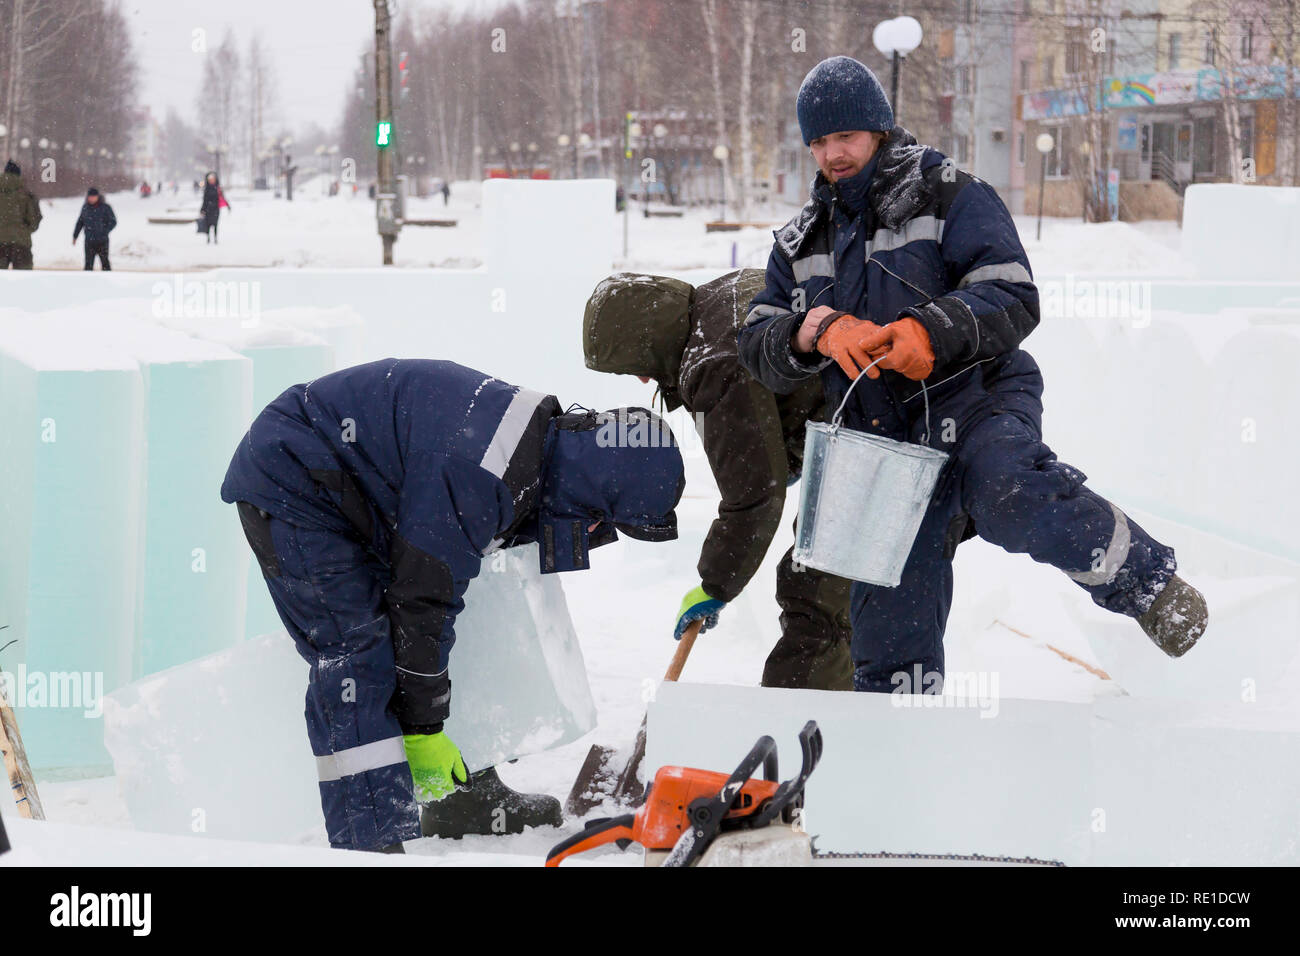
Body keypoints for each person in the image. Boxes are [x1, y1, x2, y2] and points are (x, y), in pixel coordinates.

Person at [738, 56, 1208, 695]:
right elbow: (756, 342)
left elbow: (1013, 293)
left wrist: (929, 332)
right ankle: (902, 741)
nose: (832, 154)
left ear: (878, 129)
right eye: (818, 141)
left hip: (977, 395)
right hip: (880, 437)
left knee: (1007, 489)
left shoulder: (949, 191)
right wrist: (815, 329)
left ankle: (1148, 583)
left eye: (844, 136)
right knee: (887, 624)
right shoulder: (800, 240)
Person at [221, 358, 686, 851]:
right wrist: (423, 730)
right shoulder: (481, 472)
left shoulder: (540, 450)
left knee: (465, 604)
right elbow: (423, 601)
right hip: (296, 478)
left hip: (362, 488)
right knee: (356, 657)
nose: (596, 534)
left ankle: (464, 796)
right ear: (592, 493)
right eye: (601, 522)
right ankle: (369, 847)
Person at [584, 269, 852, 689]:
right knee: (838, 590)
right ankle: (861, 718)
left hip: (867, 433)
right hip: (870, 415)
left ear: (650, 345)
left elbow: (756, 495)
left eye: (637, 365)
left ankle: (799, 731)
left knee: (816, 594)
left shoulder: (713, 363)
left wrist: (716, 582)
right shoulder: (725, 294)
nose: (641, 379)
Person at [0, 159, 42, 270]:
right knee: (24, 282)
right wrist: (23, 230)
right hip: (21, 243)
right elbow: (34, 220)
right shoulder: (26, 195)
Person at [73, 187, 117, 271]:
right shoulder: (85, 208)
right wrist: (75, 236)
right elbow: (80, 222)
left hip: (102, 241)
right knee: (88, 265)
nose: (92, 198)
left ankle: (108, 281)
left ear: (98, 196)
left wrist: (105, 231)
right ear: (87, 197)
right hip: (89, 241)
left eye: (94, 196)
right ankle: (87, 282)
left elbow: (113, 221)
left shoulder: (105, 207)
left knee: (105, 264)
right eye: (90, 196)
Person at [199, 171, 228, 244]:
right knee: (208, 224)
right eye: (210, 180)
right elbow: (204, 200)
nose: (212, 181)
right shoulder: (207, 189)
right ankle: (208, 238)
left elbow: (222, 197)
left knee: (215, 224)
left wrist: (228, 205)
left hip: (216, 209)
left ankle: (215, 238)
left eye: (213, 179)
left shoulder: (218, 188)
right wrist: (202, 210)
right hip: (208, 209)